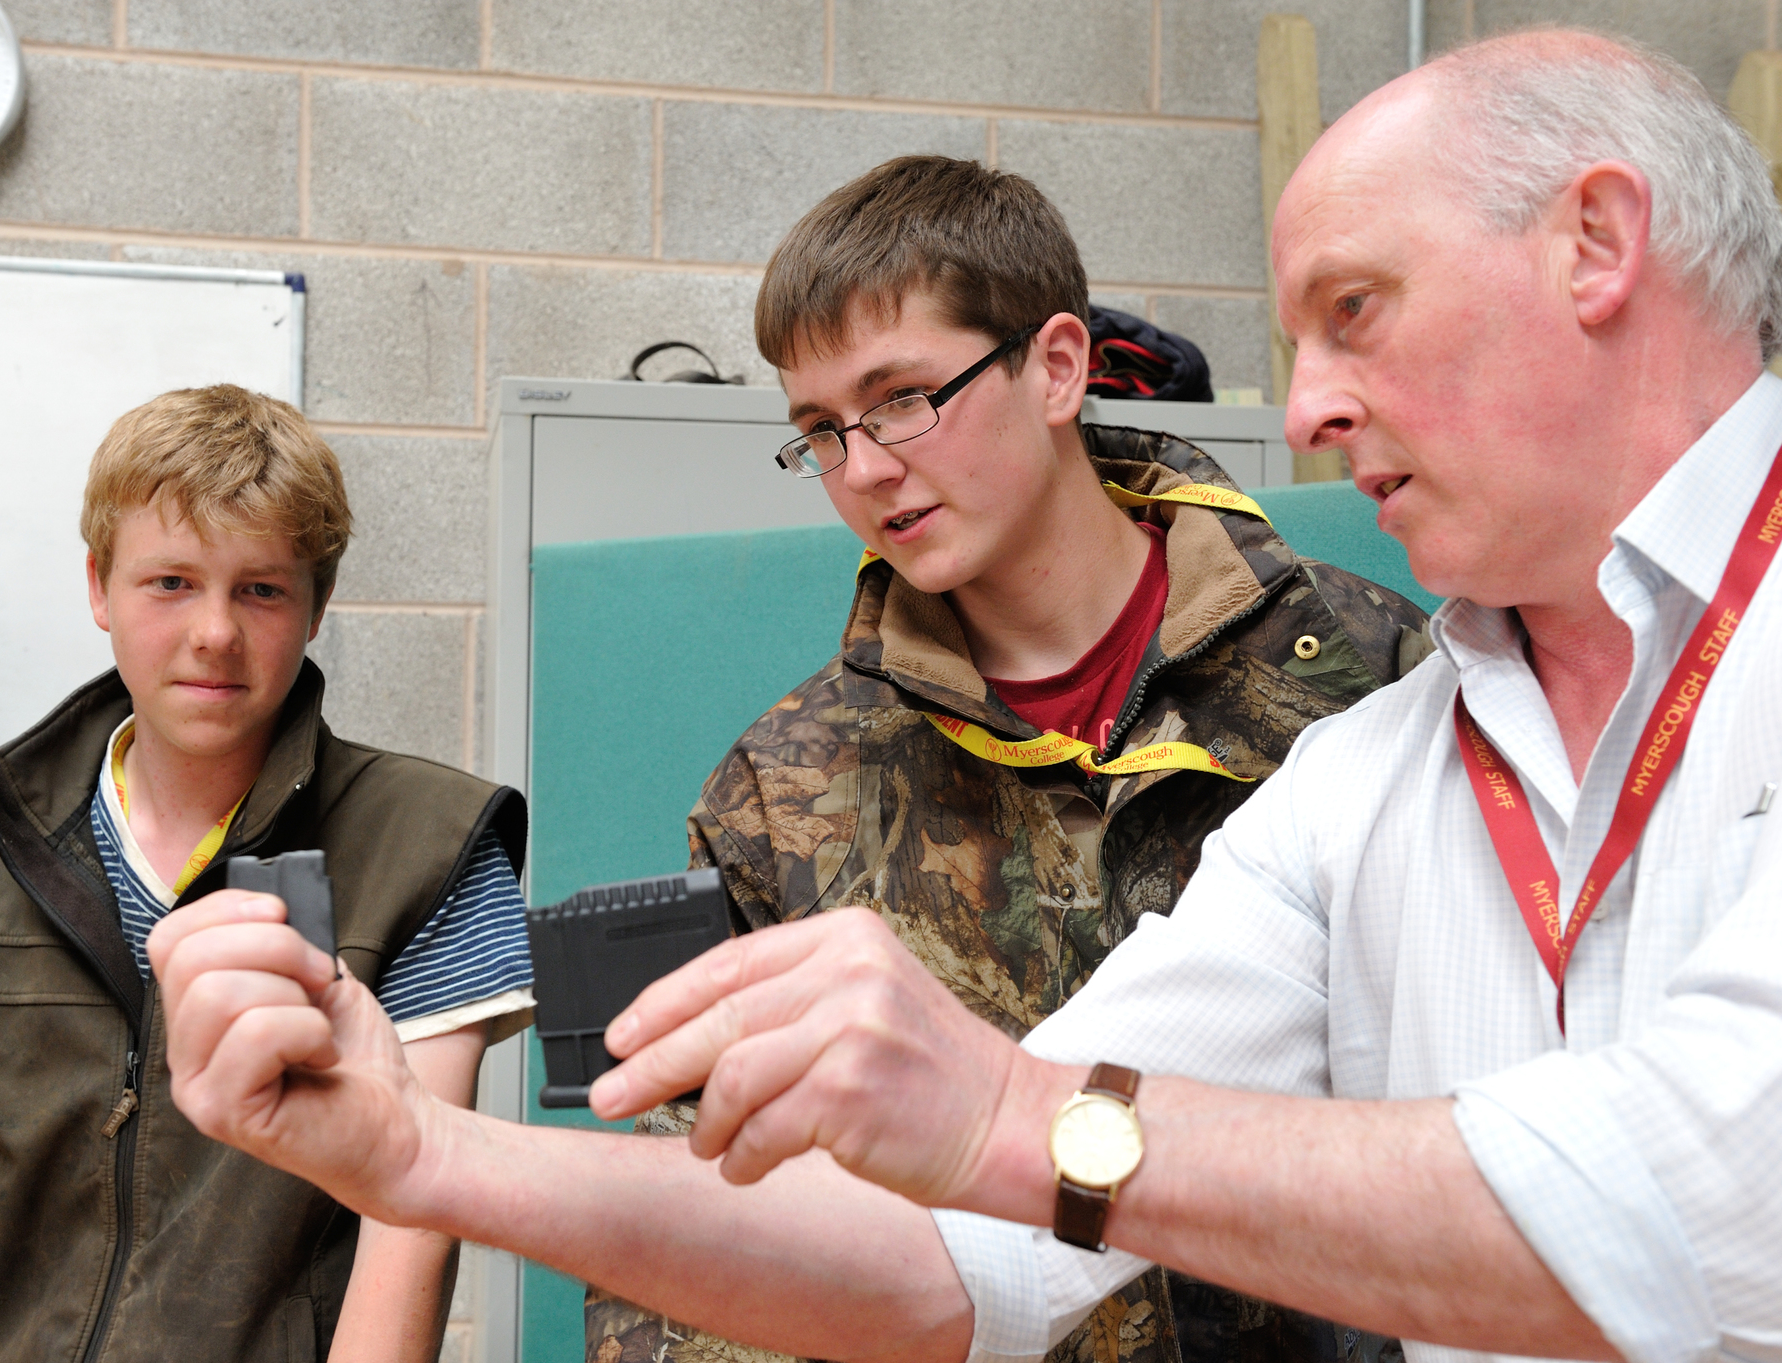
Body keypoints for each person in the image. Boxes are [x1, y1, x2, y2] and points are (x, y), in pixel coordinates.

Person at [156, 29, 1782, 1363]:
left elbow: (1709, 1198)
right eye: (822, 429)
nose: (1306, 411)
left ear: (1593, 242)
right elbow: (964, 1250)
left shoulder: (1358, 671)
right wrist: (431, 1156)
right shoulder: (1383, 768)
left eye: (1354, 311)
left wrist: (1007, 1108)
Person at [582, 155, 1429, 1363]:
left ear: (1056, 366)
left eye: (903, 399)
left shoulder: (1363, 674)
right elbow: (703, 1228)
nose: (864, 468)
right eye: (819, 432)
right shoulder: (784, 790)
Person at [0, 385, 536, 1362]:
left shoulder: (431, 845)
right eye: (170, 582)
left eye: (261, 588)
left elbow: (414, 1222)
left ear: (317, 606)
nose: (213, 633)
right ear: (98, 586)